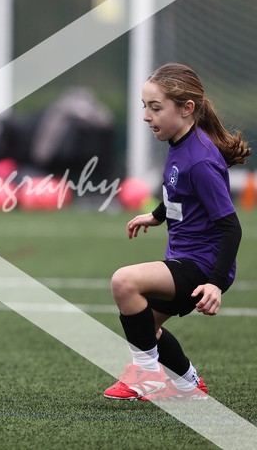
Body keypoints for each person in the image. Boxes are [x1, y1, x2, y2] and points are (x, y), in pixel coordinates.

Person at [103, 63, 250, 401]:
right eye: (145, 107)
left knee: (124, 282)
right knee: (144, 327)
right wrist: (155, 216)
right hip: (188, 259)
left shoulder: (199, 160)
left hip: (202, 266)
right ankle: (188, 384)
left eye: (155, 108)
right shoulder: (180, 142)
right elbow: (177, 190)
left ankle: (147, 375)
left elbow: (231, 227)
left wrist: (214, 282)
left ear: (187, 109)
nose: (146, 116)